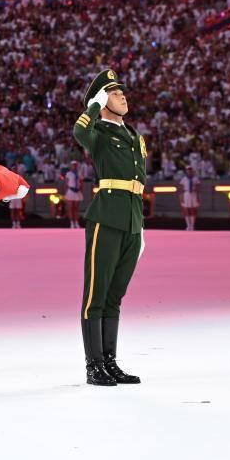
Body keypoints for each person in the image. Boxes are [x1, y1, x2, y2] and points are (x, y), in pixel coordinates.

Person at [72, 69, 144, 387]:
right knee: (96, 295)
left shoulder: (133, 136)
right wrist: (93, 106)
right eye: (114, 93)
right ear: (102, 101)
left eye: (121, 92)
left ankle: (110, 362)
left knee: (115, 295)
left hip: (130, 219)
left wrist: (140, 229)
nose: (122, 96)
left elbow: (139, 183)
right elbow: (78, 132)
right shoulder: (98, 131)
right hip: (106, 217)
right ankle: (94, 365)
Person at [179, 165, 199, 231]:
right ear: (186, 171)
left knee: (193, 209)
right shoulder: (184, 179)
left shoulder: (195, 178)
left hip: (193, 193)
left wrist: (198, 197)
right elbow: (181, 189)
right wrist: (181, 197)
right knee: (186, 209)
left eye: (190, 170)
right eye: (188, 170)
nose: (189, 171)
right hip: (186, 193)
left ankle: (192, 225)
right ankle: (188, 225)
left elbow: (198, 188)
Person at [65, 161, 83, 228]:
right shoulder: (68, 174)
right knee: (70, 208)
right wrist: (66, 192)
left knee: (76, 208)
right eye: (73, 165)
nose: (74, 166)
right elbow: (67, 183)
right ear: (71, 166)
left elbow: (81, 183)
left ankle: (76, 222)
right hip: (70, 191)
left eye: (75, 165)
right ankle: (71, 223)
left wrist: (80, 190)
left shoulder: (79, 173)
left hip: (77, 191)